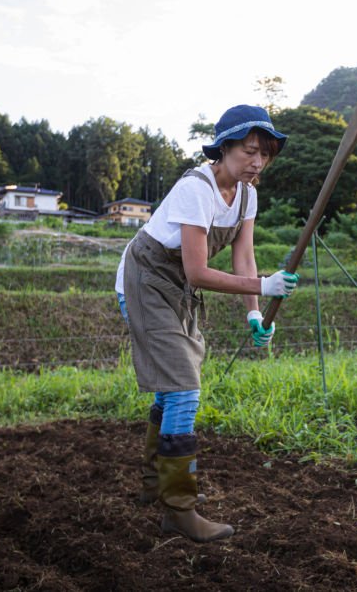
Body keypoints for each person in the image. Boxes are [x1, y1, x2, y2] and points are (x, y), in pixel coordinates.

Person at [115, 104, 299, 542]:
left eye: (266, 154)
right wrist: (263, 285)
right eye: (250, 151)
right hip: (144, 281)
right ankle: (178, 508)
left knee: (172, 388)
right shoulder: (195, 188)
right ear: (224, 148)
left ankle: (152, 484)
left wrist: (255, 309)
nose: (258, 162)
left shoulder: (248, 194)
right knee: (183, 388)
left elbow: (244, 257)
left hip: (176, 287)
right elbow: (198, 272)